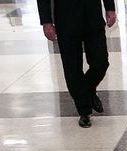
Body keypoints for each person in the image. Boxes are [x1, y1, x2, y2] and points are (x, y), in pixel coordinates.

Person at [38, 0, 118, 129]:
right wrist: (46, 22)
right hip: (65, 19)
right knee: (72, 68)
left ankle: (87, 92)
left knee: (100, 62)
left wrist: (110, 8)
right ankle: (84, 111)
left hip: (93, 16)